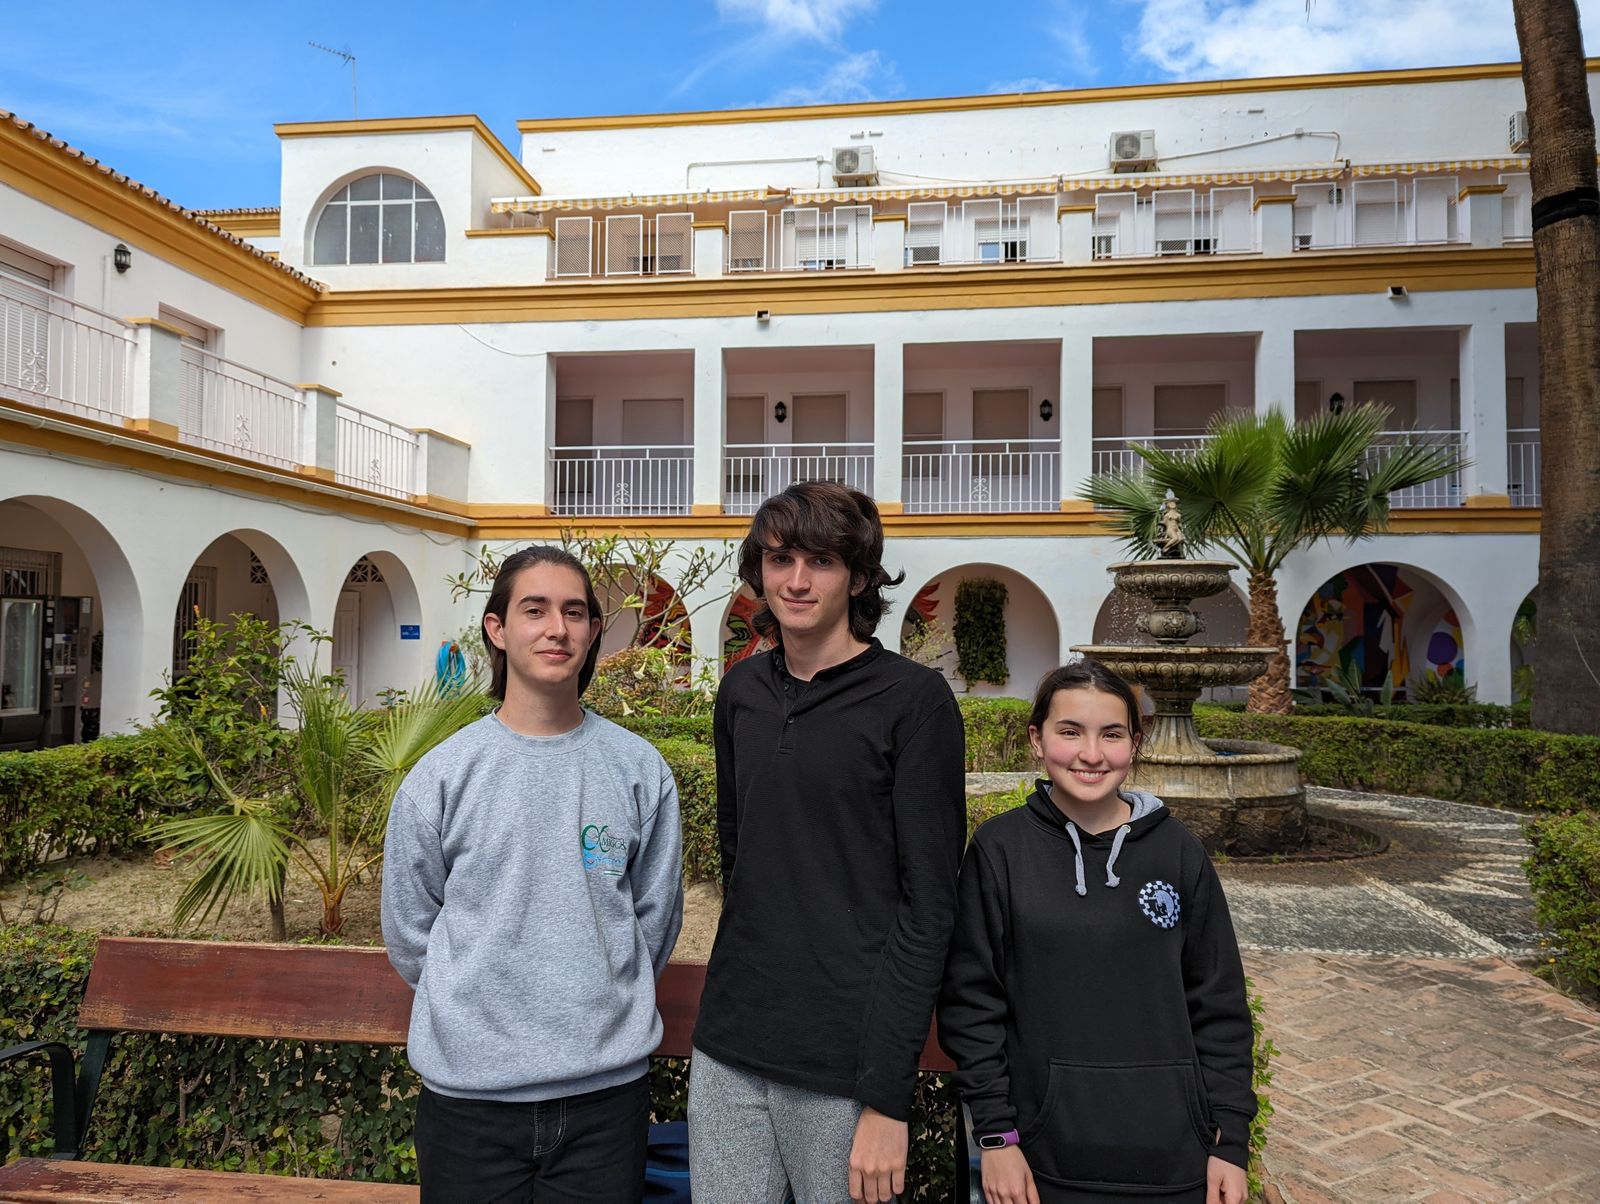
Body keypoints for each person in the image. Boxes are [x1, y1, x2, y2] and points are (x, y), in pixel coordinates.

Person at [688, 481, 967, 1204]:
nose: (798, 580)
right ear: (760, 571)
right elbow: (738, 853)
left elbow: (930, 907)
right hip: (729, 1046)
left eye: (821, 561)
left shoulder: (914, 703)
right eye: (780, 559)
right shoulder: (741, 693)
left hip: (846, 1064)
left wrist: (886, 1095)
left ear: (861, 576)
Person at [382, 545, 684, 1204]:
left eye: (575, 612)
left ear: (594, 631)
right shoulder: (440, 777)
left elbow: (653, 923)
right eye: (536, 610)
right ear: (497, 629)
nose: (558, 629)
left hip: (606, 1104)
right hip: (469, 1107)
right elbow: (410, 935)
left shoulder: (638, 770)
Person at [939, 659, 1255, 1204]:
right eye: (1070, 732)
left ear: (1135, 742)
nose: (1091, 754)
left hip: (1174, 1161)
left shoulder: (1179, 851)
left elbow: (1217, 1002)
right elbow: (972, 1004)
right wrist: (996, 1138)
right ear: (1037, 740)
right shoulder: (1000, 850)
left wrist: (1230, 1142)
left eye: (1111, 734)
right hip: (1039, 1162)